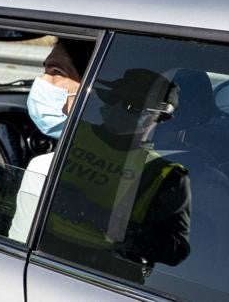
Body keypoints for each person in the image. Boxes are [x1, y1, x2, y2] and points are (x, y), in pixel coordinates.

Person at [40, 68, 191, 284]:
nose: (109, 106)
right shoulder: (71, 134)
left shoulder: (164, 174)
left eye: (127, 104)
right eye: (111, 98)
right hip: (40, 252)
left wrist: (102, 219)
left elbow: (175, 250)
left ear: (153, 117)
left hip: (103, 277)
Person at [8, 38, 93, 242]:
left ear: (90, 88)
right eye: (45, 69)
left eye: (57, 72)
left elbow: (16, 250)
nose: (42, 81)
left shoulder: (43, 169)